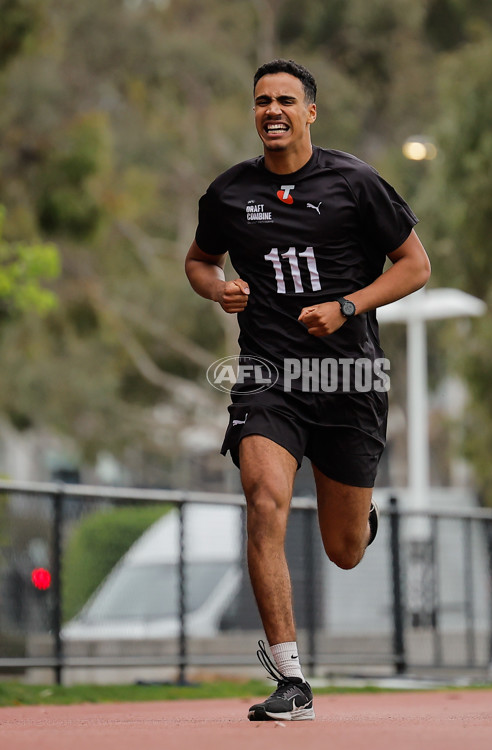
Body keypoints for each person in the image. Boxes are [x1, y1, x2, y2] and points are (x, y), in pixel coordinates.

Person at [185, 59, 430, 721]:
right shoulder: (231, 194)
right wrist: (218, 289)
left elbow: (415, 265)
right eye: (262, 100)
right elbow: (199, 260)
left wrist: (348, 306)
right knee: (263, 499)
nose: (273, 110)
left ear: (310, 112)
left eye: (286, 100)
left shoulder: (355, 182)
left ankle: (359, 515)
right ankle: (291, 680)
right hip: (270, 378)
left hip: (348, 381)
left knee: (343, 551)